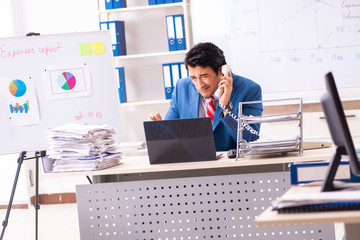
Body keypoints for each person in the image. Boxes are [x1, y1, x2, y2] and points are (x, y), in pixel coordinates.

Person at [150, 42, 263, 151]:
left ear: (221, 71)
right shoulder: (182, 88)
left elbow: (251, 140)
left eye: (204, 76)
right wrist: (162, 134)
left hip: (230, 165)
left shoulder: (249, 90)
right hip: (193, 164)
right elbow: (172, 137)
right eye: (193, 78)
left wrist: (226, 107)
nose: (199, 85)